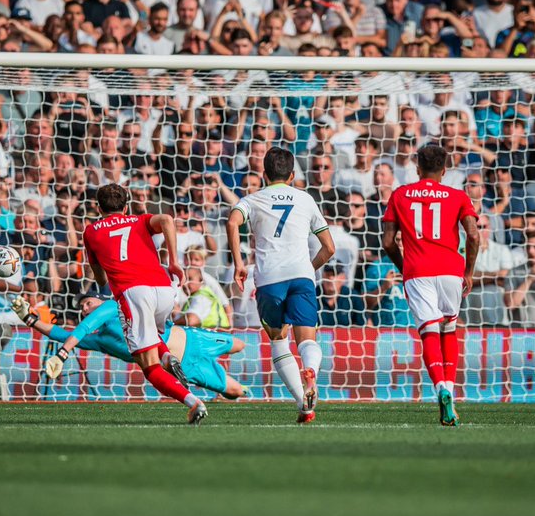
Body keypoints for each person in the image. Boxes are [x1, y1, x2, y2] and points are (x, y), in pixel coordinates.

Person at [226, 146, 335, 424]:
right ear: (292, 175)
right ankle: (310, 371)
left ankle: (303, 404)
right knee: (307, 340)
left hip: (269, 279)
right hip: (301, 276)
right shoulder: (306, 199)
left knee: (278, 339)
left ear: (264, 174)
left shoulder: (253, 199)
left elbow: (232, 222)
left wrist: (239, 264)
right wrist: (308, 269)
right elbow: (329, 248)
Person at [82, 184, 207, 424]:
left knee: (148, 367)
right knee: (150, 332)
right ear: (126, 207)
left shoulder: (91, 231)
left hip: (134, 293)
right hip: (165, 290)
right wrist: (174, 262)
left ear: (98, 208)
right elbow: (168, 220)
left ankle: (193, 402)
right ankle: (167, 356)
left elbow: (101, 279)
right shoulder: (138, 220)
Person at [381, 144, 479, 427]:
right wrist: (469, 272)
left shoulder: (400, 194)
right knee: (449, 329)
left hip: (418, 272)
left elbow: (387, 242)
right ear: (444, 170)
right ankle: (450, 393)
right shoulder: (458, 196)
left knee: (429, 333)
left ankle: (440, 389)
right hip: (451, 271)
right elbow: (474, 235)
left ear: (417, 168)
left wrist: (404, 266)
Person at [20, 294, 247, 399]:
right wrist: (30, 319)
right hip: (186, 366)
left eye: (88, 303)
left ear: (99, 300)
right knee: (235, 392)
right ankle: (241, 392)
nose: (86, 309)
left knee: (239, 345)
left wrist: (62, 353)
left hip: (191, 339)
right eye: (82, 309)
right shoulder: (101, 340)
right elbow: (63, 335)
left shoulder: (114, 306)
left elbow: (82, 328)